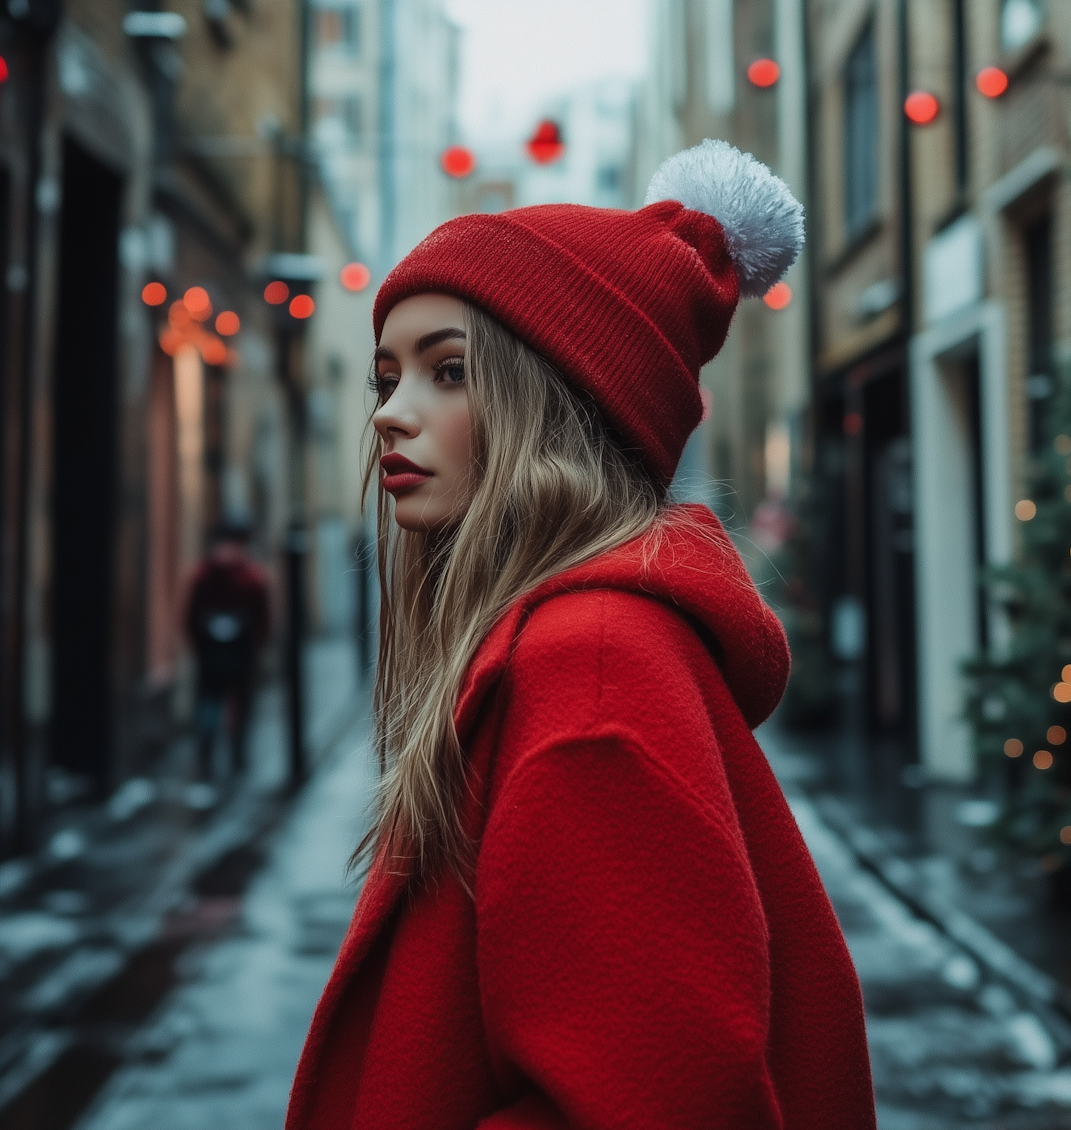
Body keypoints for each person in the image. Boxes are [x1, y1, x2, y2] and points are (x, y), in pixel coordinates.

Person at [287, 141, 875, 1128]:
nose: (391, 414)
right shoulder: (575, 643)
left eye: (449, 371)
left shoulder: (591, 673)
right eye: (386, 377)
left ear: (557, 408)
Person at [183, 521, 271, 778]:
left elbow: (261, 617)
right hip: (214, 654)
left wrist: (256, 642)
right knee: (213, 704)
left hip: (235, 653)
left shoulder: (245, 577)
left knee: (236, 705)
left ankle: (234, 754)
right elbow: (191, 616)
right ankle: (211, 754)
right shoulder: (212, 576)